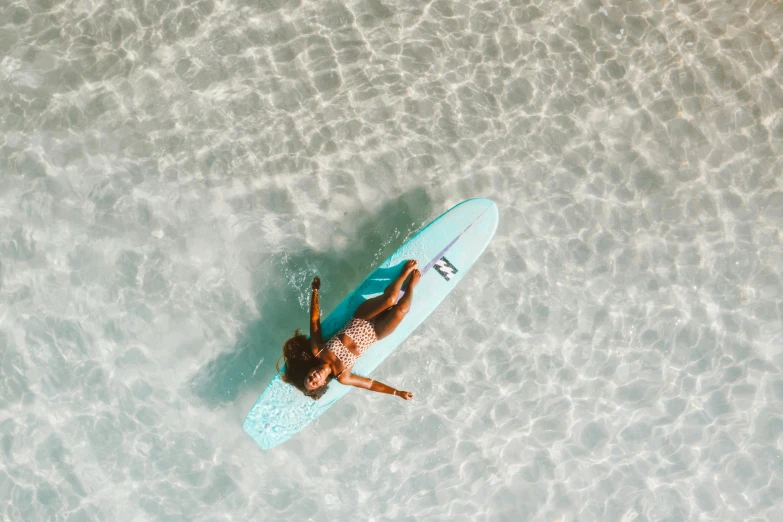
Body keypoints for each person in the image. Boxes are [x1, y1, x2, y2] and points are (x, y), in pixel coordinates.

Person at [278, 260, 420, 400]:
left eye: (310, 377)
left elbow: (314, 322)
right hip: (376, 333)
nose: (314, 377)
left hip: (361, 318)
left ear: (309, 370)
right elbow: (370, 385)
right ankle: (411, 286)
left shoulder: (318, 351)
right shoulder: (342, 376)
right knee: (402, 309)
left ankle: (403, 275)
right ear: (322, 384)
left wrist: (315, 291)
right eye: (315, 382)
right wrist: (397, 393)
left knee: (390, 299)